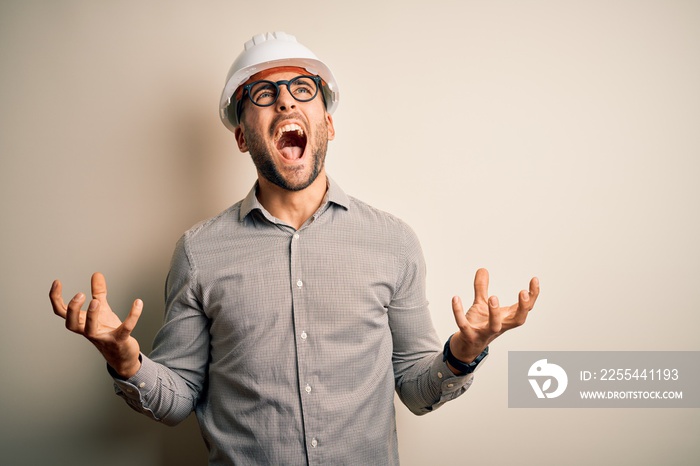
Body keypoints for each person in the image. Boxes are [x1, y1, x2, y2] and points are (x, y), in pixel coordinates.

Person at [50, 31, 540, 465]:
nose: (285, 103)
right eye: (262, 94)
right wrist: (126, 363)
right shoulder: (198, 253)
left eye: (302, 89)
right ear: (242, 136)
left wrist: (463, 353)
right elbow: (177, 399)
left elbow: (416, 388)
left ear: (328, 123)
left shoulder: (393, 242)